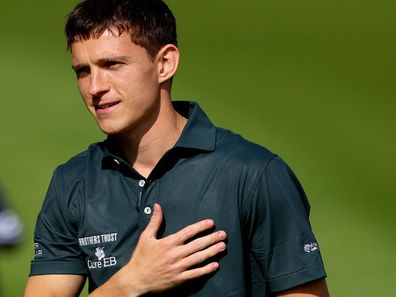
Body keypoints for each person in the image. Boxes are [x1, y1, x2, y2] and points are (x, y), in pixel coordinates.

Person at [24, 0, 329, 296]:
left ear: (165, 63)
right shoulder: (71, 182)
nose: (94, 87)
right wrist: (129, 284)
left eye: (112, 64)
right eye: (82, 71)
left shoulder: (254, 173)